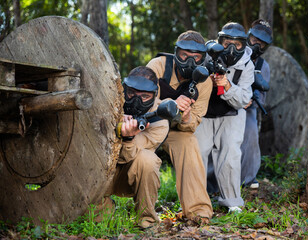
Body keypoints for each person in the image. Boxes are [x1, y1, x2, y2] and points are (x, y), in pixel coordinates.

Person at [146, 30, 213, 223]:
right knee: (140, 159)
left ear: (203, 58)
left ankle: (198, 212)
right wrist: (169, 103)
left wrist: (186, 116)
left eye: (196, 57)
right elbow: (140, 100)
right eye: (184, 55)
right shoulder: (157, 66)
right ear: (176, 52)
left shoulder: (205, 82)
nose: (189, 61)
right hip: (150, 125)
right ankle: (145, 214)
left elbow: (193, 124)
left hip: (176, 131)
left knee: (189, 143)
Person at [195, 22, 254, 213]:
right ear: (220, 41)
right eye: (227, 42)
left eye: (236, 45)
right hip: (204, 113)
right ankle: (195, 201)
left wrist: (227, 85)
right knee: (198, 153)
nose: (231, 48)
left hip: (232, 115)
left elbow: (243, 100)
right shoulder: (207, 54)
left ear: (243, 45)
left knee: (230, 155)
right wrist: (206, 81)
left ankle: (232, 202)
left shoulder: (247, 65)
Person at [104, 66, 170, 229]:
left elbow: (125, 157)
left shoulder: (159, 120)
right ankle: (102, 204)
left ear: (154, 95)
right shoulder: (108, 98)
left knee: (147, 159)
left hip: (124, 176)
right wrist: (116, 118)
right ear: (124, 89)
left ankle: (146, 220)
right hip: (97, 173)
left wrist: (127, 136)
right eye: (132, 93)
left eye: (145, 96)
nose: (136, 101)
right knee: (99, 220)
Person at [241, 19, 272, 189]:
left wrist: (252, 100)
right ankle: (213, 182)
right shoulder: (235, 52)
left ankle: (248, 178)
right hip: (226, 104)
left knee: (251, 133)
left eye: (262, 43)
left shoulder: (262, 65)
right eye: (255, 39)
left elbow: (262, 95)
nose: (257, 44)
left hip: (248, 108)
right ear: (248, 36)